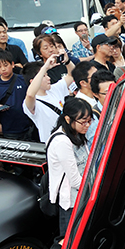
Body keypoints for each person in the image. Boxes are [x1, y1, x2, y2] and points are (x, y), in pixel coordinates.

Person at [46, 97, 92, 235]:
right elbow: (74, 180)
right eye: (83, 122)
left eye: (89, 121)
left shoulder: (76, 134)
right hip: (72, 202)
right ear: (67, 119)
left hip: (82, 196)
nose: (87, 125)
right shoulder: (62, 141)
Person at [23, 54, 74, 142]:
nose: (49, 78)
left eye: (47, 74)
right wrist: (45, 67)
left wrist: (67, 61)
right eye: (44, 76)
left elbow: (72, 75)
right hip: (53, 143)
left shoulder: (55, 88)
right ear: (33, 81)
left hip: (70, 138)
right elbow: (30, 94)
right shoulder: (33, 102)